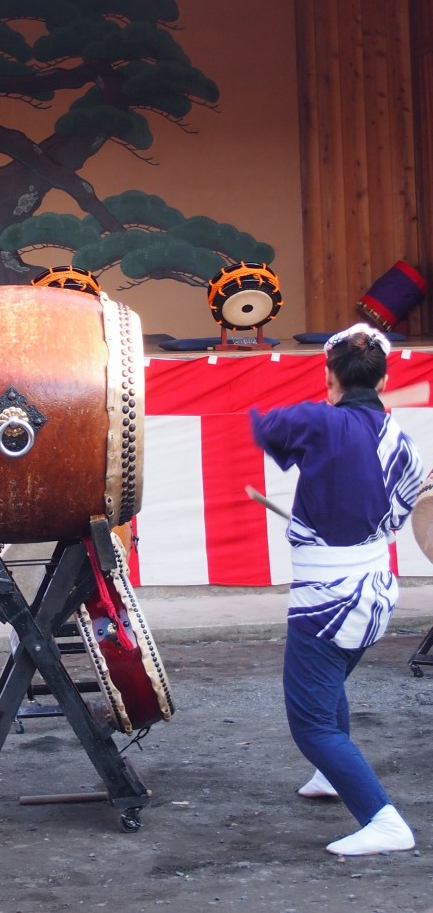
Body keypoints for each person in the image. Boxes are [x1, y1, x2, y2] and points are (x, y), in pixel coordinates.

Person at [249, 322, 423, 857]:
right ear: (384, 376)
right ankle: (332, 774)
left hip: (330, 599)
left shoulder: (320, 423)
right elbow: (402, 504)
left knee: (310, 721)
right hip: (376, 591)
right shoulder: (400, 440)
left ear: (330, 376)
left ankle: (383, 820)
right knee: (329, 687)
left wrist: (326, 415)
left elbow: (267, 427)